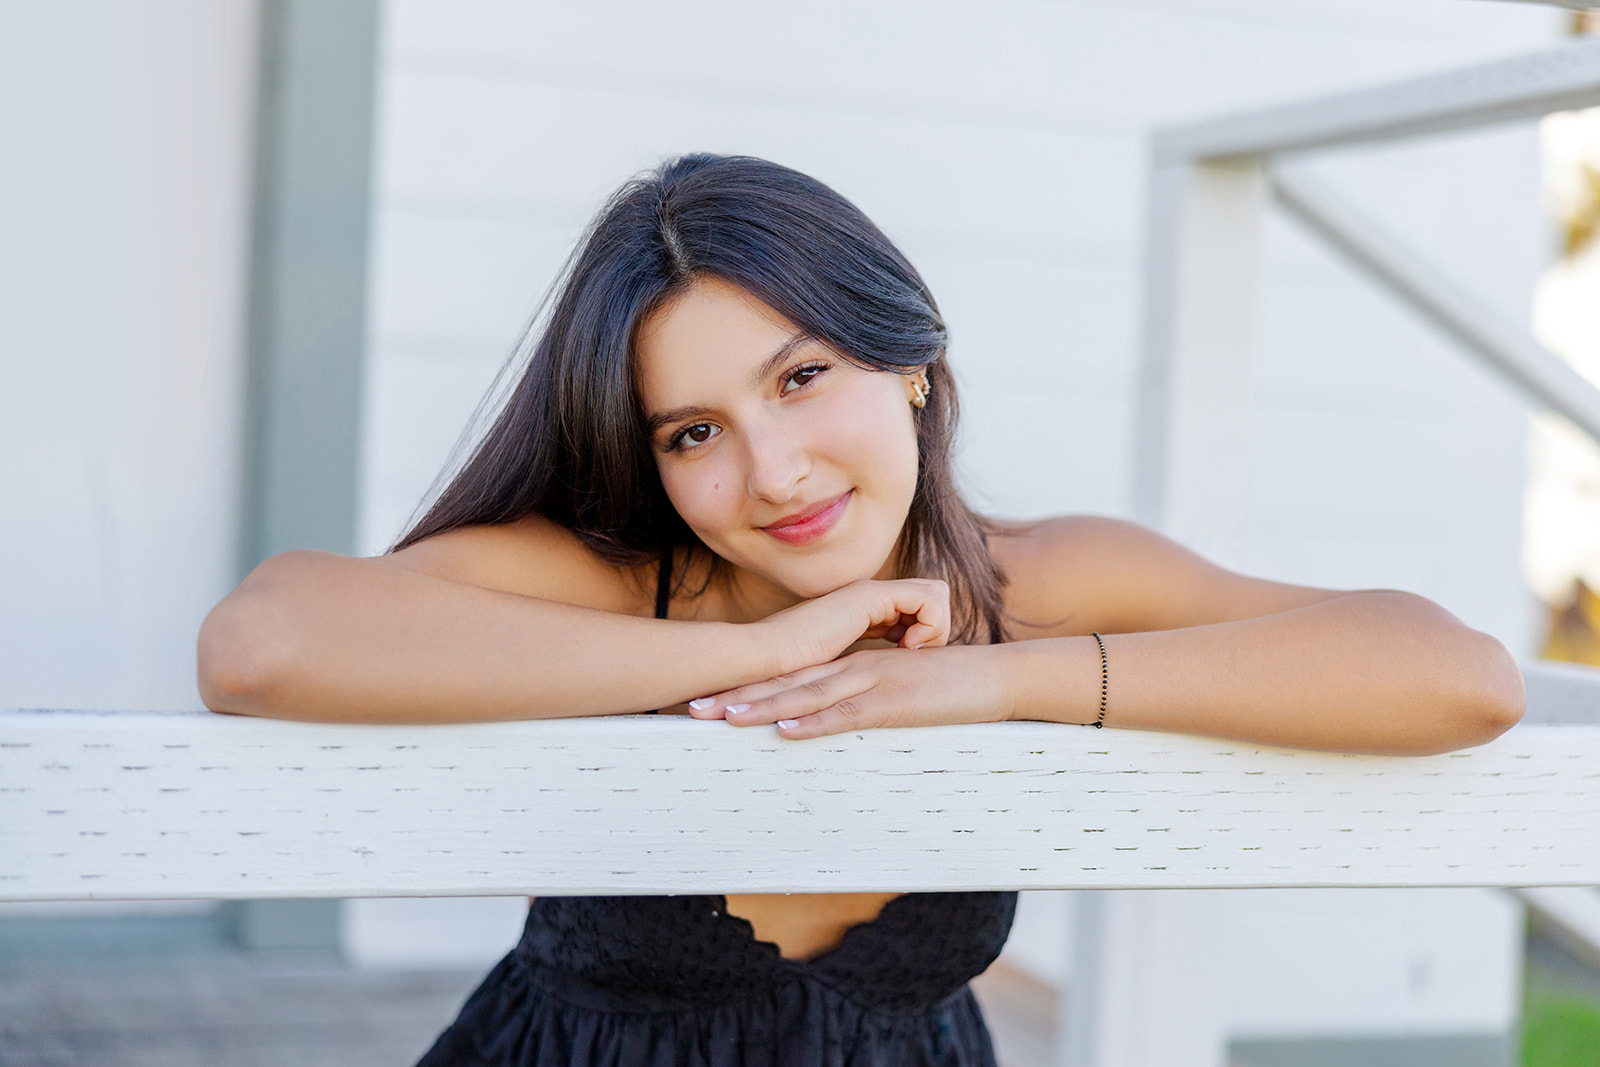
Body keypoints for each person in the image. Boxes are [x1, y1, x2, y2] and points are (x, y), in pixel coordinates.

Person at [197, 153, 1525, 1067]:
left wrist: (1002, 681)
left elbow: (1460, 678)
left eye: (802, 378)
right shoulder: (618, 577)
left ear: (913, 369)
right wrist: (774, 644)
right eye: (693, 429)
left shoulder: (1034, 585)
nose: (770, 474)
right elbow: (266, 642)